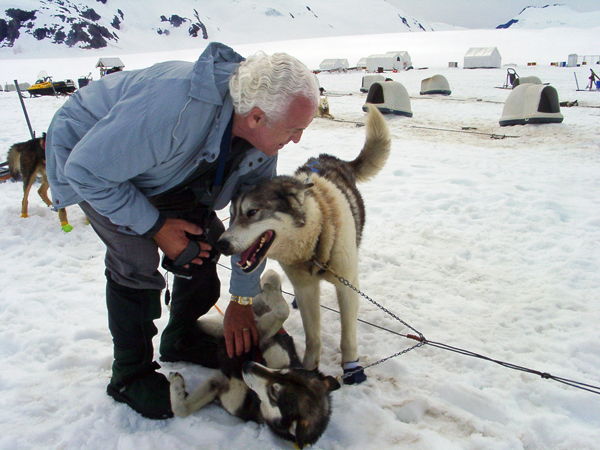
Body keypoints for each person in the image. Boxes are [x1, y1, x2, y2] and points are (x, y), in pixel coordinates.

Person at [45, 42, 319, 420]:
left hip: (159, 163)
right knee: (135, 257)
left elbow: (250, 228)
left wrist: (240, 302)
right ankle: (130, 374)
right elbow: (87, 171)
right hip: (94, 158)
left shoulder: (260, 143)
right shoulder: (174, 113)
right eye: (294, 129)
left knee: (204, 237)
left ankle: (182, 336)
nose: (298, 140)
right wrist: (156, 227)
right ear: (256, 117)